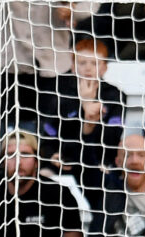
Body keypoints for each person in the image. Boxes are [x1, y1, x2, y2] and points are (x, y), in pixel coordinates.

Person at [40, 38, 124, 210]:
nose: (87, 68)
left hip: (99, 162)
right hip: (66, 161)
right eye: (82, 62)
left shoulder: (114, 96)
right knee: (43, 177)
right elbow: (47, 137)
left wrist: (88, 104)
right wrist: (52, 156)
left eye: (94, 63)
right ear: (73, 66)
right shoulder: (60, 95)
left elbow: (112, 137)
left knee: (108, 185)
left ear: (104, 67)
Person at [0, 130, 83, 237]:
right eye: (11, 154)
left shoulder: (57, 193)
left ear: (36, 160)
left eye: (25, 154)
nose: (18, 161)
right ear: (2, 161)